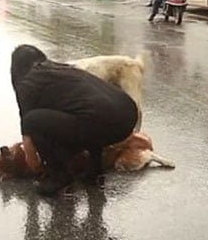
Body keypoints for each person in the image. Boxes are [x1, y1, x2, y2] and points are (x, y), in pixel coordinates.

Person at [11, 45, 138, 195]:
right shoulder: (64, 69)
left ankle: (59, 176)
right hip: (128, 115)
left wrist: (34, 163)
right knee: (84, 113)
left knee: (33, 121)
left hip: (103, 122)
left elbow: (28, 130)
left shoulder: (27, 83)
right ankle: (95, 169)